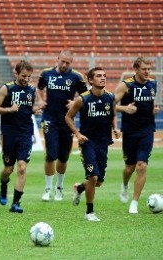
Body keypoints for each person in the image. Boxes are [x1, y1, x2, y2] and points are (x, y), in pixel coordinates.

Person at [65, 67, 119, 221]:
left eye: (104, 75)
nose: (103, 78)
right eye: (98, 76)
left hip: (103, 143)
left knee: (98, 182)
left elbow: (113, 114)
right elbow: (68, 117)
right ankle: (89, 212)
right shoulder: (83, 99)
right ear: (90, 80)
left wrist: (115, 128)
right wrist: (77, 134)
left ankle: (80, 187)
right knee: (93, 177)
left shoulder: (110, 97)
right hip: (87, 142)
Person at [0, 60, 42, 213]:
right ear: (16, 73)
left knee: (21, 167)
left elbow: (28, 108)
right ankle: (3, 184)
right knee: (8, 169)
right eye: (23, 76)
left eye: (29, 76)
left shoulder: (32, 91)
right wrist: (9, 109)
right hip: (9, 133)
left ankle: (16, 203)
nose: (26, 79)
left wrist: (34, 111)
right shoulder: (6, 89)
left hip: (26, 133)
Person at [37, 50, 87, 201]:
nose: (64, 65)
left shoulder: (77, 77)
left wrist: (75, 102)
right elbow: (39, 88)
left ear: (71, 63)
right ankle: (47, 189)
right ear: (57, 59)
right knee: (51, 155)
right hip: (49, 119)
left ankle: (59, 187)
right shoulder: (46, 74)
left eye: (67, 63)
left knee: (63, 158)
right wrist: (40, 100)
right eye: (62, 61)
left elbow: (85, 96)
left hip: (67, 121)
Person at [114, 57, 159, 214]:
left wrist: (154, 109)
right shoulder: (126, 86)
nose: (147, 72)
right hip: (130, 132)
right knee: (129, 168)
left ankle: (134, 202)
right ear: (136, 69)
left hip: (147, 131)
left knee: (142, 166)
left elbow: (151, 103)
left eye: (149, 68)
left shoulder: (153, 84)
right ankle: (125, 185)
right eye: (144, 69)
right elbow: (110, 104)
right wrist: (124, 109)